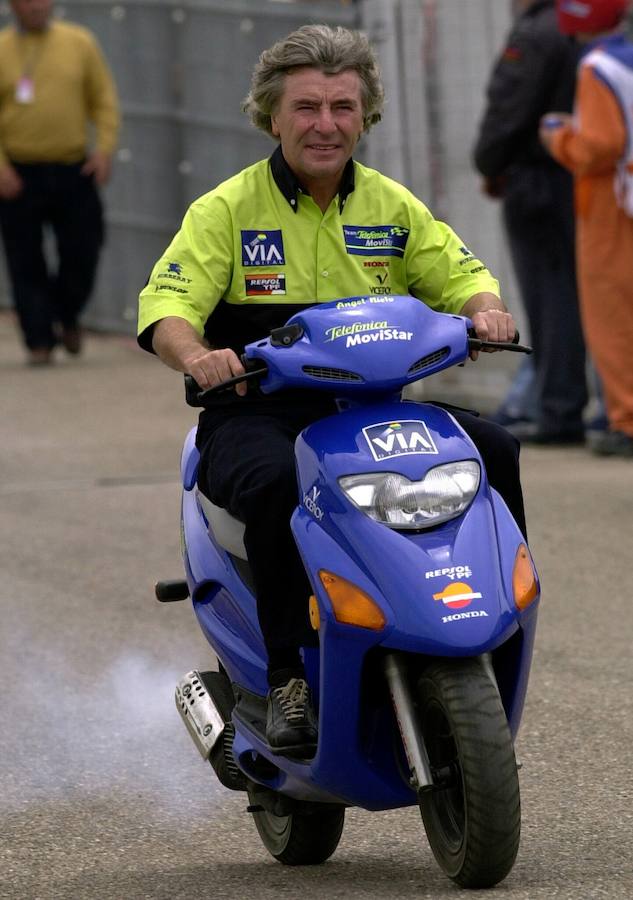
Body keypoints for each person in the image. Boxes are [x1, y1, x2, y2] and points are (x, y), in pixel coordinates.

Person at [138, 24, 527, 757]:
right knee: (278, 484)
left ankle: (491, 623)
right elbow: (167, 306)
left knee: (495, 450)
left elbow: (462, 274)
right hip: (259, 415)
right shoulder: (224, 211)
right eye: (308, 107)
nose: (326, 125)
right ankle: (287, 675)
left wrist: (485, 311)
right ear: (272, 116)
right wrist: (196, 355)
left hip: (374, 414)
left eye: (342, 107)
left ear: (365, 115)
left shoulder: (391, 204)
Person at [473, 0, 588, 444]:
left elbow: (510, 107)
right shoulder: (586, 27)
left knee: (551, 299)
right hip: (576, 178)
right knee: (575, 297)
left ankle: (559, 410)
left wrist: (489, 163)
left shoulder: (539, 32)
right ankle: (569, 405)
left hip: (537, 183)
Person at [0, 0, 119, 365]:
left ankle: (67, 314)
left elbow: (103, 101)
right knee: (25, 259)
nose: (36, 7)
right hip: (18, 173)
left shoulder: (79, 43)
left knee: (83, 249)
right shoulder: (2, 48)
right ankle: (39, 339)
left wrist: (104, 150)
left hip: (72, 168)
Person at [541, 0, 633, 456]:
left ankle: (626, 421)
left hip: (612, 206)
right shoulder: (625, 57)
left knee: (613, 316)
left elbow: (600, 146)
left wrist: (559, 135)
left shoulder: (596, 66)